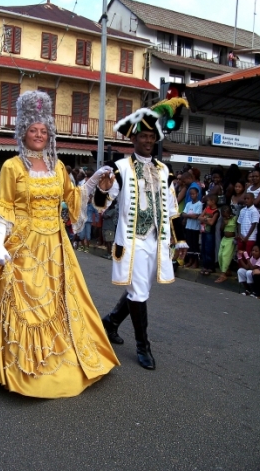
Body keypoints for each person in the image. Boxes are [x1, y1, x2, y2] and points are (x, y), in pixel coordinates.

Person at [0, 90, 119, 399]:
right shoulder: (12, 166)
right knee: (25, 305)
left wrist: (94, 181)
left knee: (61, 305)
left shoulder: (59, 166)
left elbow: (73, 199)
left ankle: (64, 361)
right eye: (33, 130)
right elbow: (6, 207)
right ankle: (22, 370)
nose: (38, 135)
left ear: (49, 133)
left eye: (43, 131)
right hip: (23, 245)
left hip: (56, 247)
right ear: (23, 132)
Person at [96, 97, 188, 370]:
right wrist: (102, 189)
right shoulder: (120, 169)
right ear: (134, 139)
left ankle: (111, 322)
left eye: (151, 137)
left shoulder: (164, 171)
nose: (148, 141)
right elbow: (103, 205)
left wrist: (178, 239)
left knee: (141, 290)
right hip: (132, 240)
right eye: (143, 136)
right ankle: (142, 346)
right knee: (138, 292)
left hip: (155, 241)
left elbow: (172, 210)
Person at [215, 205, 237, 283]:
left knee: (225, 256)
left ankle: (223, 274)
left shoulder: (235, 219)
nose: (224, 216)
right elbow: (221, 229)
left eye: (225, 215)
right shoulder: (224, 219)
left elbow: (237, 229)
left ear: (230, 213)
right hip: (224, 239)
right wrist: (224, 223)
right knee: (220, 255)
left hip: (231, 240)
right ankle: (227, 270)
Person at [198, 195, 220, 276]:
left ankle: (210, 267)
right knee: (203, 249)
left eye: (208, 201)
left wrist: (204, 219)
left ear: (213, 201)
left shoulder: (216, 211)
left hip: (210, 232)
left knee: (209, 250)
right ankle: (205, 266)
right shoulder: (206, 208)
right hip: (204, 231)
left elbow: (212, 222)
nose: (207, 202)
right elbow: (200, 217)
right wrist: (207, 219)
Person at [181, 187, 202, 268]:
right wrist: (189, 215)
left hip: (195, 228)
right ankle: (190, 260)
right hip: (188, 227)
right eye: (191, 194)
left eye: (193, 194)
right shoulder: (188, 204)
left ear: (197, 194)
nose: (192, 195)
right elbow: (183, 213)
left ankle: (195, 261)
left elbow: (196, 216)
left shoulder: (199, 204)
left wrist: (187, 216)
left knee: (195, 245)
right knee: (189, 244)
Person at [237, 192, 260, 257]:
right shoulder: (242, 210)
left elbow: (254, 224)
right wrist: (239, 234)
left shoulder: (254, 211)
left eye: (248, 199)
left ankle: (247, 267)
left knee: (247, 255)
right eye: (245, 199)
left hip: (250, 238)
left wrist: (247, 237)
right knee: (240, 255)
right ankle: (240, 267)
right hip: (241, 237)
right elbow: (239, 223)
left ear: (253, 199)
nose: (246, 200)